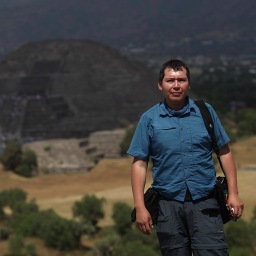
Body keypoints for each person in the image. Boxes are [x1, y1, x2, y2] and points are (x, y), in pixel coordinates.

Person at [127, 59, 244, 256]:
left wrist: (233, 193)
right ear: (160, 85)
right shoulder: (149, 119)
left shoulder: (206, 113)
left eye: (181, 80)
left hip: (205, 201)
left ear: (188, 84)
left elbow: (224, 151)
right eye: (170, 80)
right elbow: (139, 164)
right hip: (167, 205)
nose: (176, 85)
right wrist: (140, 207)